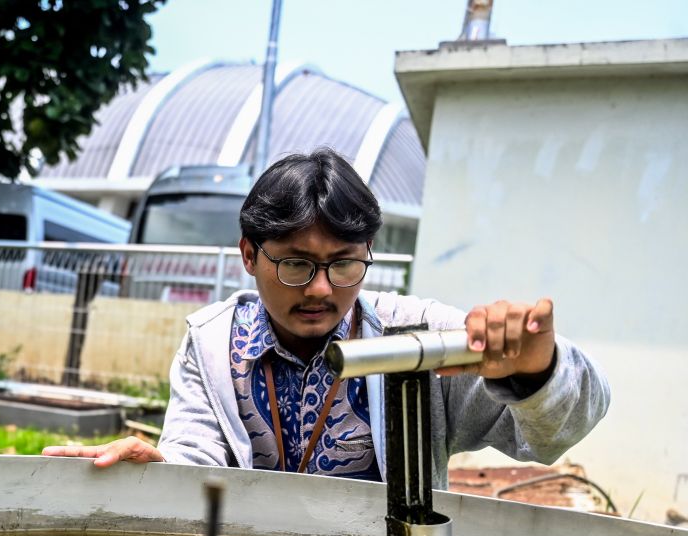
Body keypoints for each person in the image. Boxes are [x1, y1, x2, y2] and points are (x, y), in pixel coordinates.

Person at [43, 148, 610, 487]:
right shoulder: (212, 344)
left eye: (344, 264)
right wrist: (159, 461)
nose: (320, 289)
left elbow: (552, 435)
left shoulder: (417, 336)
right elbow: (197, 456)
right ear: (249, 255)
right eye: (295, 263)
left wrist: (538, 368)